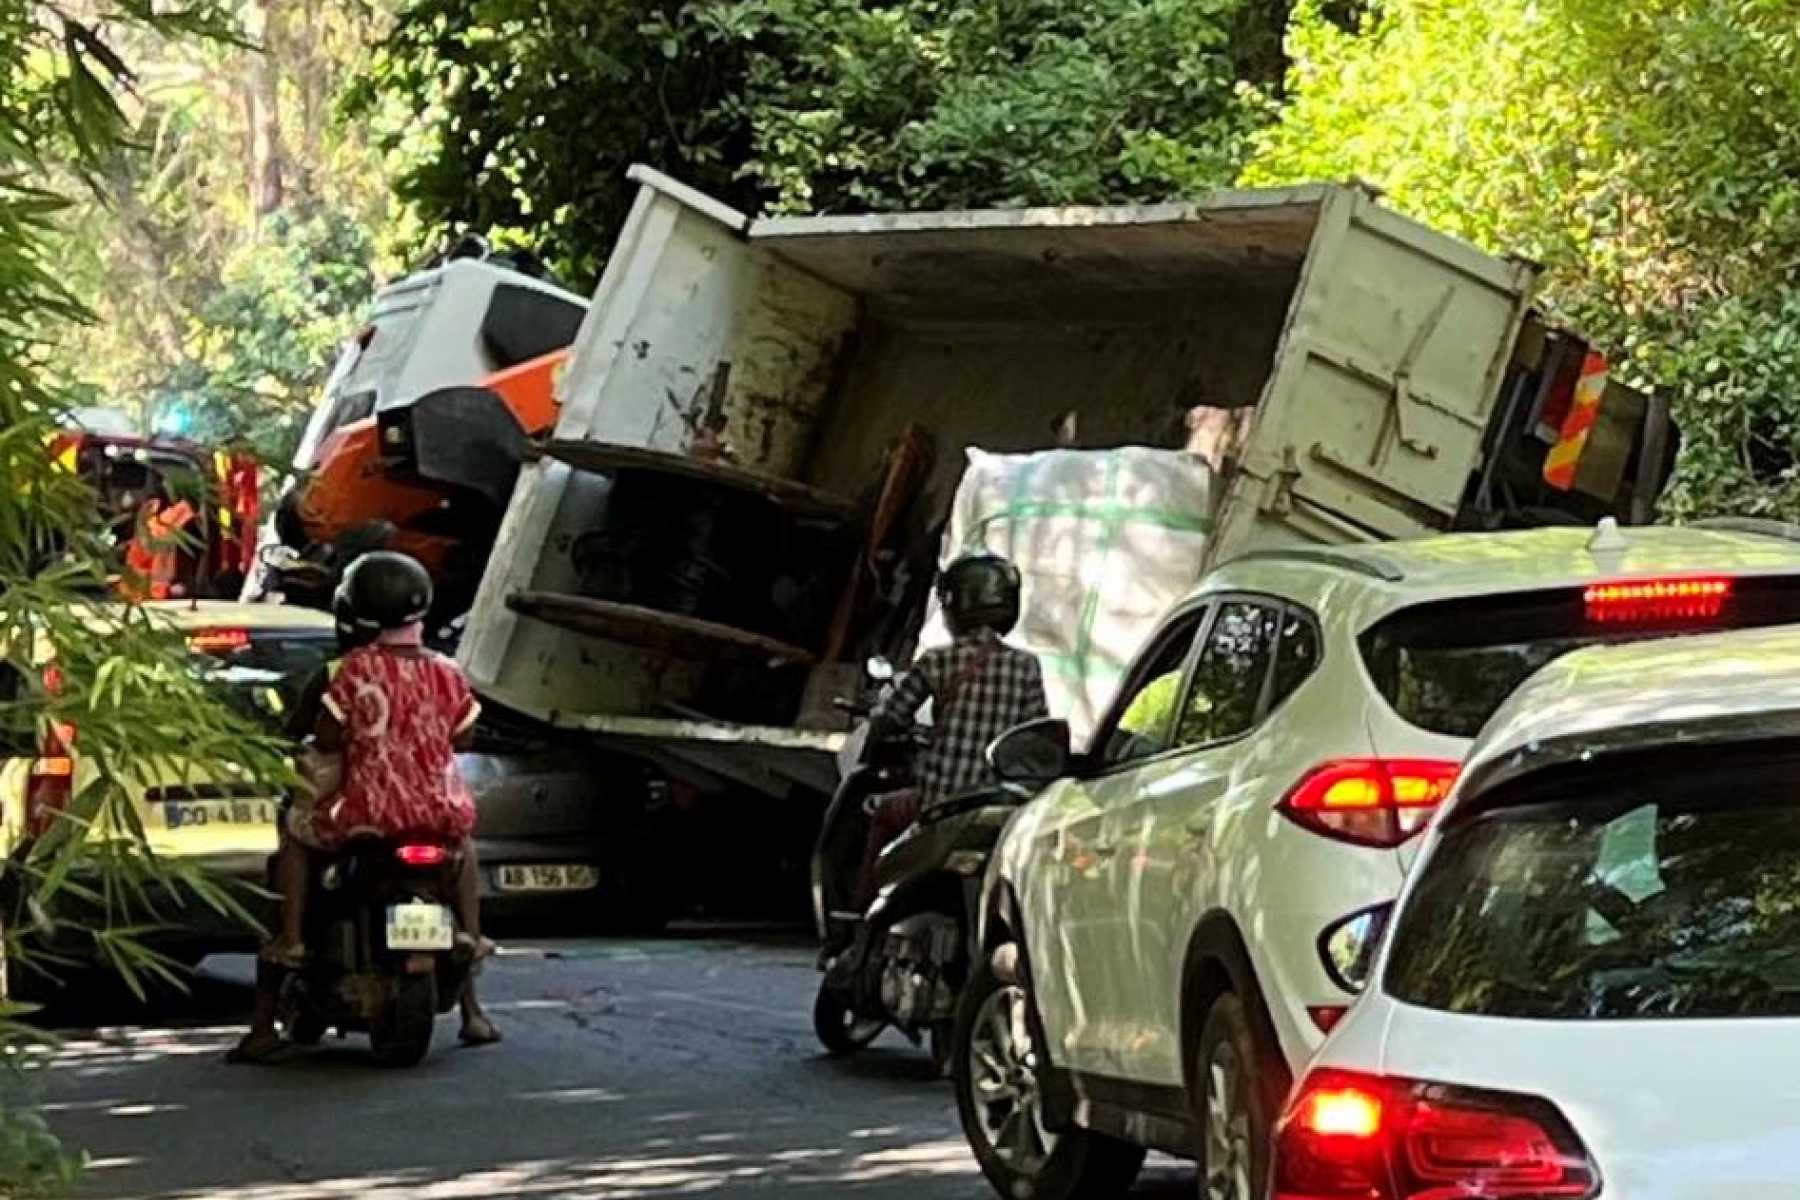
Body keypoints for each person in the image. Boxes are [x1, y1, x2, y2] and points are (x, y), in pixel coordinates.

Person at [229, 552, 499, 1062]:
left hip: (363, 813)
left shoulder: (351, 670)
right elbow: (463, 736)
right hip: (438, 812)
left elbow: (325, 734)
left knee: (293, 834)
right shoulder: (448, 671)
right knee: (461, 849)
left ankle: (286, 959)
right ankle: (473, 971)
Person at [855, 553, 1049, 906]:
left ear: (955, 605)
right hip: (995, 804)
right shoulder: (1027, 666)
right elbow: (1034, 734)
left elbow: (892, 714)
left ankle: (860, 918)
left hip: (939, 804)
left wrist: (878, 730)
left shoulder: (938, 660)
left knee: (884, 813)